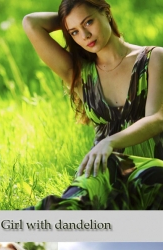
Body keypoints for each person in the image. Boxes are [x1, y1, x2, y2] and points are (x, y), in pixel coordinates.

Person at [22, 0, 163, 210]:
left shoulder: (154, 58)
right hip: (102, 171)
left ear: (106, 13)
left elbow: (157, 119)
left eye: (89, 23)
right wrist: (72, 20)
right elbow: (31, 23)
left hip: (152, 169)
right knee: (71, 207)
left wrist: (110, 142)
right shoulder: (79, 74)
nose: (85, 36)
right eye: (74, 32)